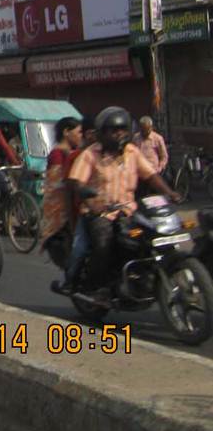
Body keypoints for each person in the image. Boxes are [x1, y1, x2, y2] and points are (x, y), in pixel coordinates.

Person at [60, 107, 180, 296]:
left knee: (150, 238)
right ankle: (98, 285)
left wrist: (169, 192)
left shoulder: (132, 152)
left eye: (123, 129)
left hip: (129, 211)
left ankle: (142, 275)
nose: (119, 134)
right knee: (103, 243)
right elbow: (76, 181)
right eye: (113, 130)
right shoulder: (90, 154)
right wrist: (88, 197)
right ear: (102, 133)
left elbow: (150, 176)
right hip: (100, 213)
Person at [39, 117, 83, 256]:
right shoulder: (57, 154)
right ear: (66, 132)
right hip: (62, 210)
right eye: (79, 132)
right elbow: (56, 183)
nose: (80, 136)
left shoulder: (75, 152)